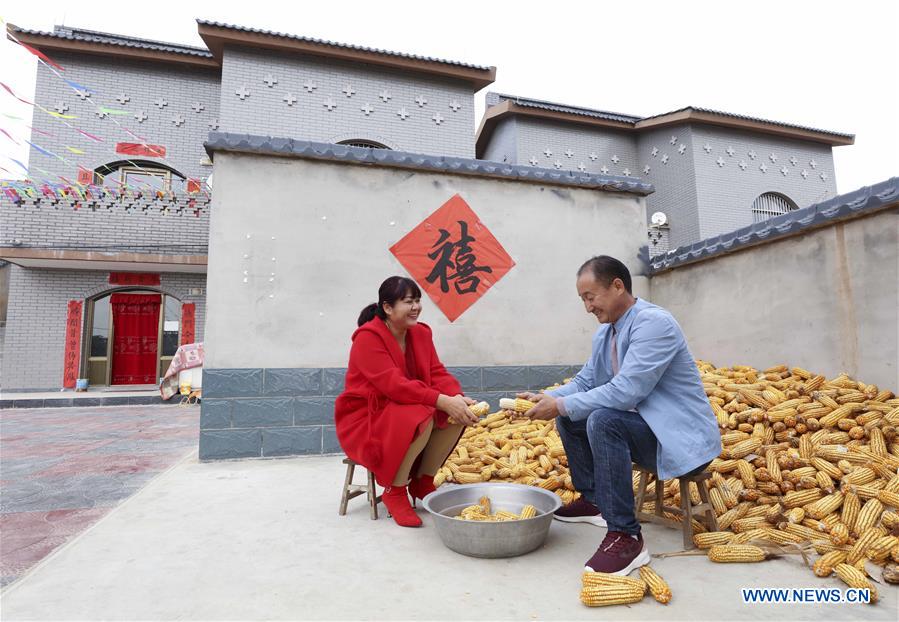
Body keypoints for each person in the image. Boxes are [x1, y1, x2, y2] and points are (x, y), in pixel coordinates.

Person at [517, 255, 721, 574]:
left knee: (603, 420)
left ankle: (627, 536)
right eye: (583, 300)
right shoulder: (607, 333)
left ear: (617, 286)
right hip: (647, 431)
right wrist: (549, 397)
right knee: (571, 416)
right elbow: (586, 381)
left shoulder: (654, 324)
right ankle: (595, 500)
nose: (588, 308)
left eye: (590, 297)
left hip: (679, 440)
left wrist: (561, 404)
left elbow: (626, 391)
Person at [335, 276, 479, 528]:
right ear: (388, 308)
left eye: (417, 301)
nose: (416, 307)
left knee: (455, 415)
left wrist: (454, 397)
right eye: (408, 302)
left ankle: (423, 481)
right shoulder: (367, 338)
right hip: (367, 419)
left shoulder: (420, 334)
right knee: (421, 414)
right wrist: (441, 400)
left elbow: (436, 372)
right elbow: (394, 385)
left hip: (405, 406)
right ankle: (395, 490)